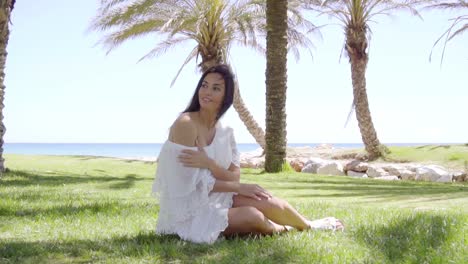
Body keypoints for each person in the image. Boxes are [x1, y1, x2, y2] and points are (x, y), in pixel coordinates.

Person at [152, 64, 343, 244]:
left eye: (216, 88)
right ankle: (284, 229)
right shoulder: (186, 124)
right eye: (204, 85)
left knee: (266, 201)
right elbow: (184, 185)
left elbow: (234, 176)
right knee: (253, 216)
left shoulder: (226, 132)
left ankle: (310, 225)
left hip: (217, 196)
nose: (207, 92)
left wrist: (209, 164)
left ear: (226, 97)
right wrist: (238, 187)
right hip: (189, 211)